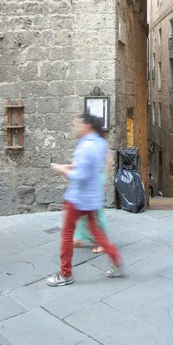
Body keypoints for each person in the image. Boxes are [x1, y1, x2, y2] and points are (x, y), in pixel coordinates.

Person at [47, 114, 123, 287]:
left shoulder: (85, 146)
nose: (77, 127)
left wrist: (62, 170)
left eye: (79, 124)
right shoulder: (101, 143)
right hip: (92, 196)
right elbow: (91, 167)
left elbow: (80, 175)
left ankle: (65, 274)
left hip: (78, 197)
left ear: (88, 126)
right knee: (96, 231)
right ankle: (115, 260)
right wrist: (72, 166)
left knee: (66, 234)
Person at [73, 149, 112, 254]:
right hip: (90, 178)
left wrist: (105, 178)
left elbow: (108, 159)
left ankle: (103, 242)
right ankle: (79, 237)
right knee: (82, 209)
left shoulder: (97, 140)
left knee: (95, 211)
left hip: (95, 179)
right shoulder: (89, 139)